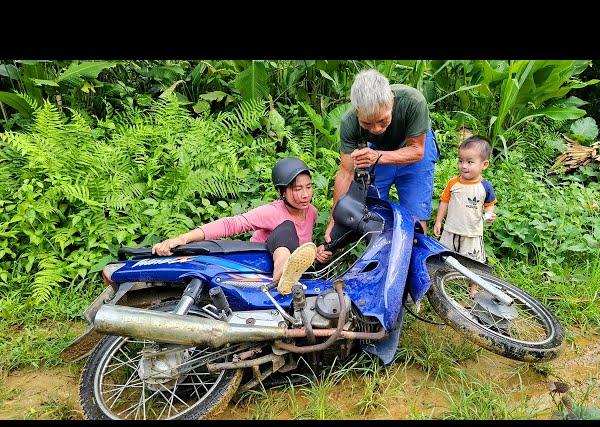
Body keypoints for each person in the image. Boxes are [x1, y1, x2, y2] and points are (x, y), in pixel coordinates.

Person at [152, 157, 331, 295]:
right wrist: (182, 238)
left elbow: (298, 246)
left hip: (287, 275)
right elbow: (231, 224)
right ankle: (282, 272)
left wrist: (315, 255)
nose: (305, 194)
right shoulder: (272, 211)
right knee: (287, 228)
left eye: (308, 187)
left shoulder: (311, 212)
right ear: (281, 191)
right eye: (297, 189)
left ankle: (286, 274)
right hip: (256, 268)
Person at [324, 69, 439, 242]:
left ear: (391, 102)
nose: (376, 129)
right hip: (377, 150)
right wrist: (335, 219)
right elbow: (345, 173)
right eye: (367, 123)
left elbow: (417, 151)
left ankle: (414, 257)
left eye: (382, 120)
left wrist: (378, 156)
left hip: (414, 149)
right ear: (357, 112)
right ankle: (381, 257)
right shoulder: (349, 122)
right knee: (373, 212)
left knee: (415, 218)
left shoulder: (414, 102)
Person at [433, 135, 496, 296]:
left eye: (470, 162)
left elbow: (490, 206)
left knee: (475, 263)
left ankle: (473, 288)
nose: (463, 166)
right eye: (460, 161)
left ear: (484, 164)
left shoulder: (485, 186)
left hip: (472, 234)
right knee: (443, 258)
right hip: (450, 231)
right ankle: (438, 285)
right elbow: (444, 202)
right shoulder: (453, 183)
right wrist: (439, 221)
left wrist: (489, 215)